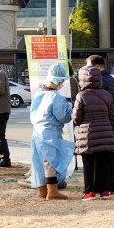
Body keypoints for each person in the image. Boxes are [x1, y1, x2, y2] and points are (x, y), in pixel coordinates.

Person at [29, 64, 74, 200]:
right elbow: (63, 116)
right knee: (51, 161)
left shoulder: (39, 93)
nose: (62, 83)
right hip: (50, 132)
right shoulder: (56, 97)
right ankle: (52, 192)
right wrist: (70, 109)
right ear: (58, 80)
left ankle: (41, 192)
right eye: (61, 81)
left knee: (38, 162)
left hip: (37, 132)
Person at [73, 66, 114, 201]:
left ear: (82, 79)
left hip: (88, 134)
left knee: (88, 163)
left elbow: (76, 118)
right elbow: (110, 113)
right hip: (105, 132)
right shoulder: (106, 94)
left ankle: (89, 192)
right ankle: (105, 191)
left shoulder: (82, 95)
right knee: (104, 163)